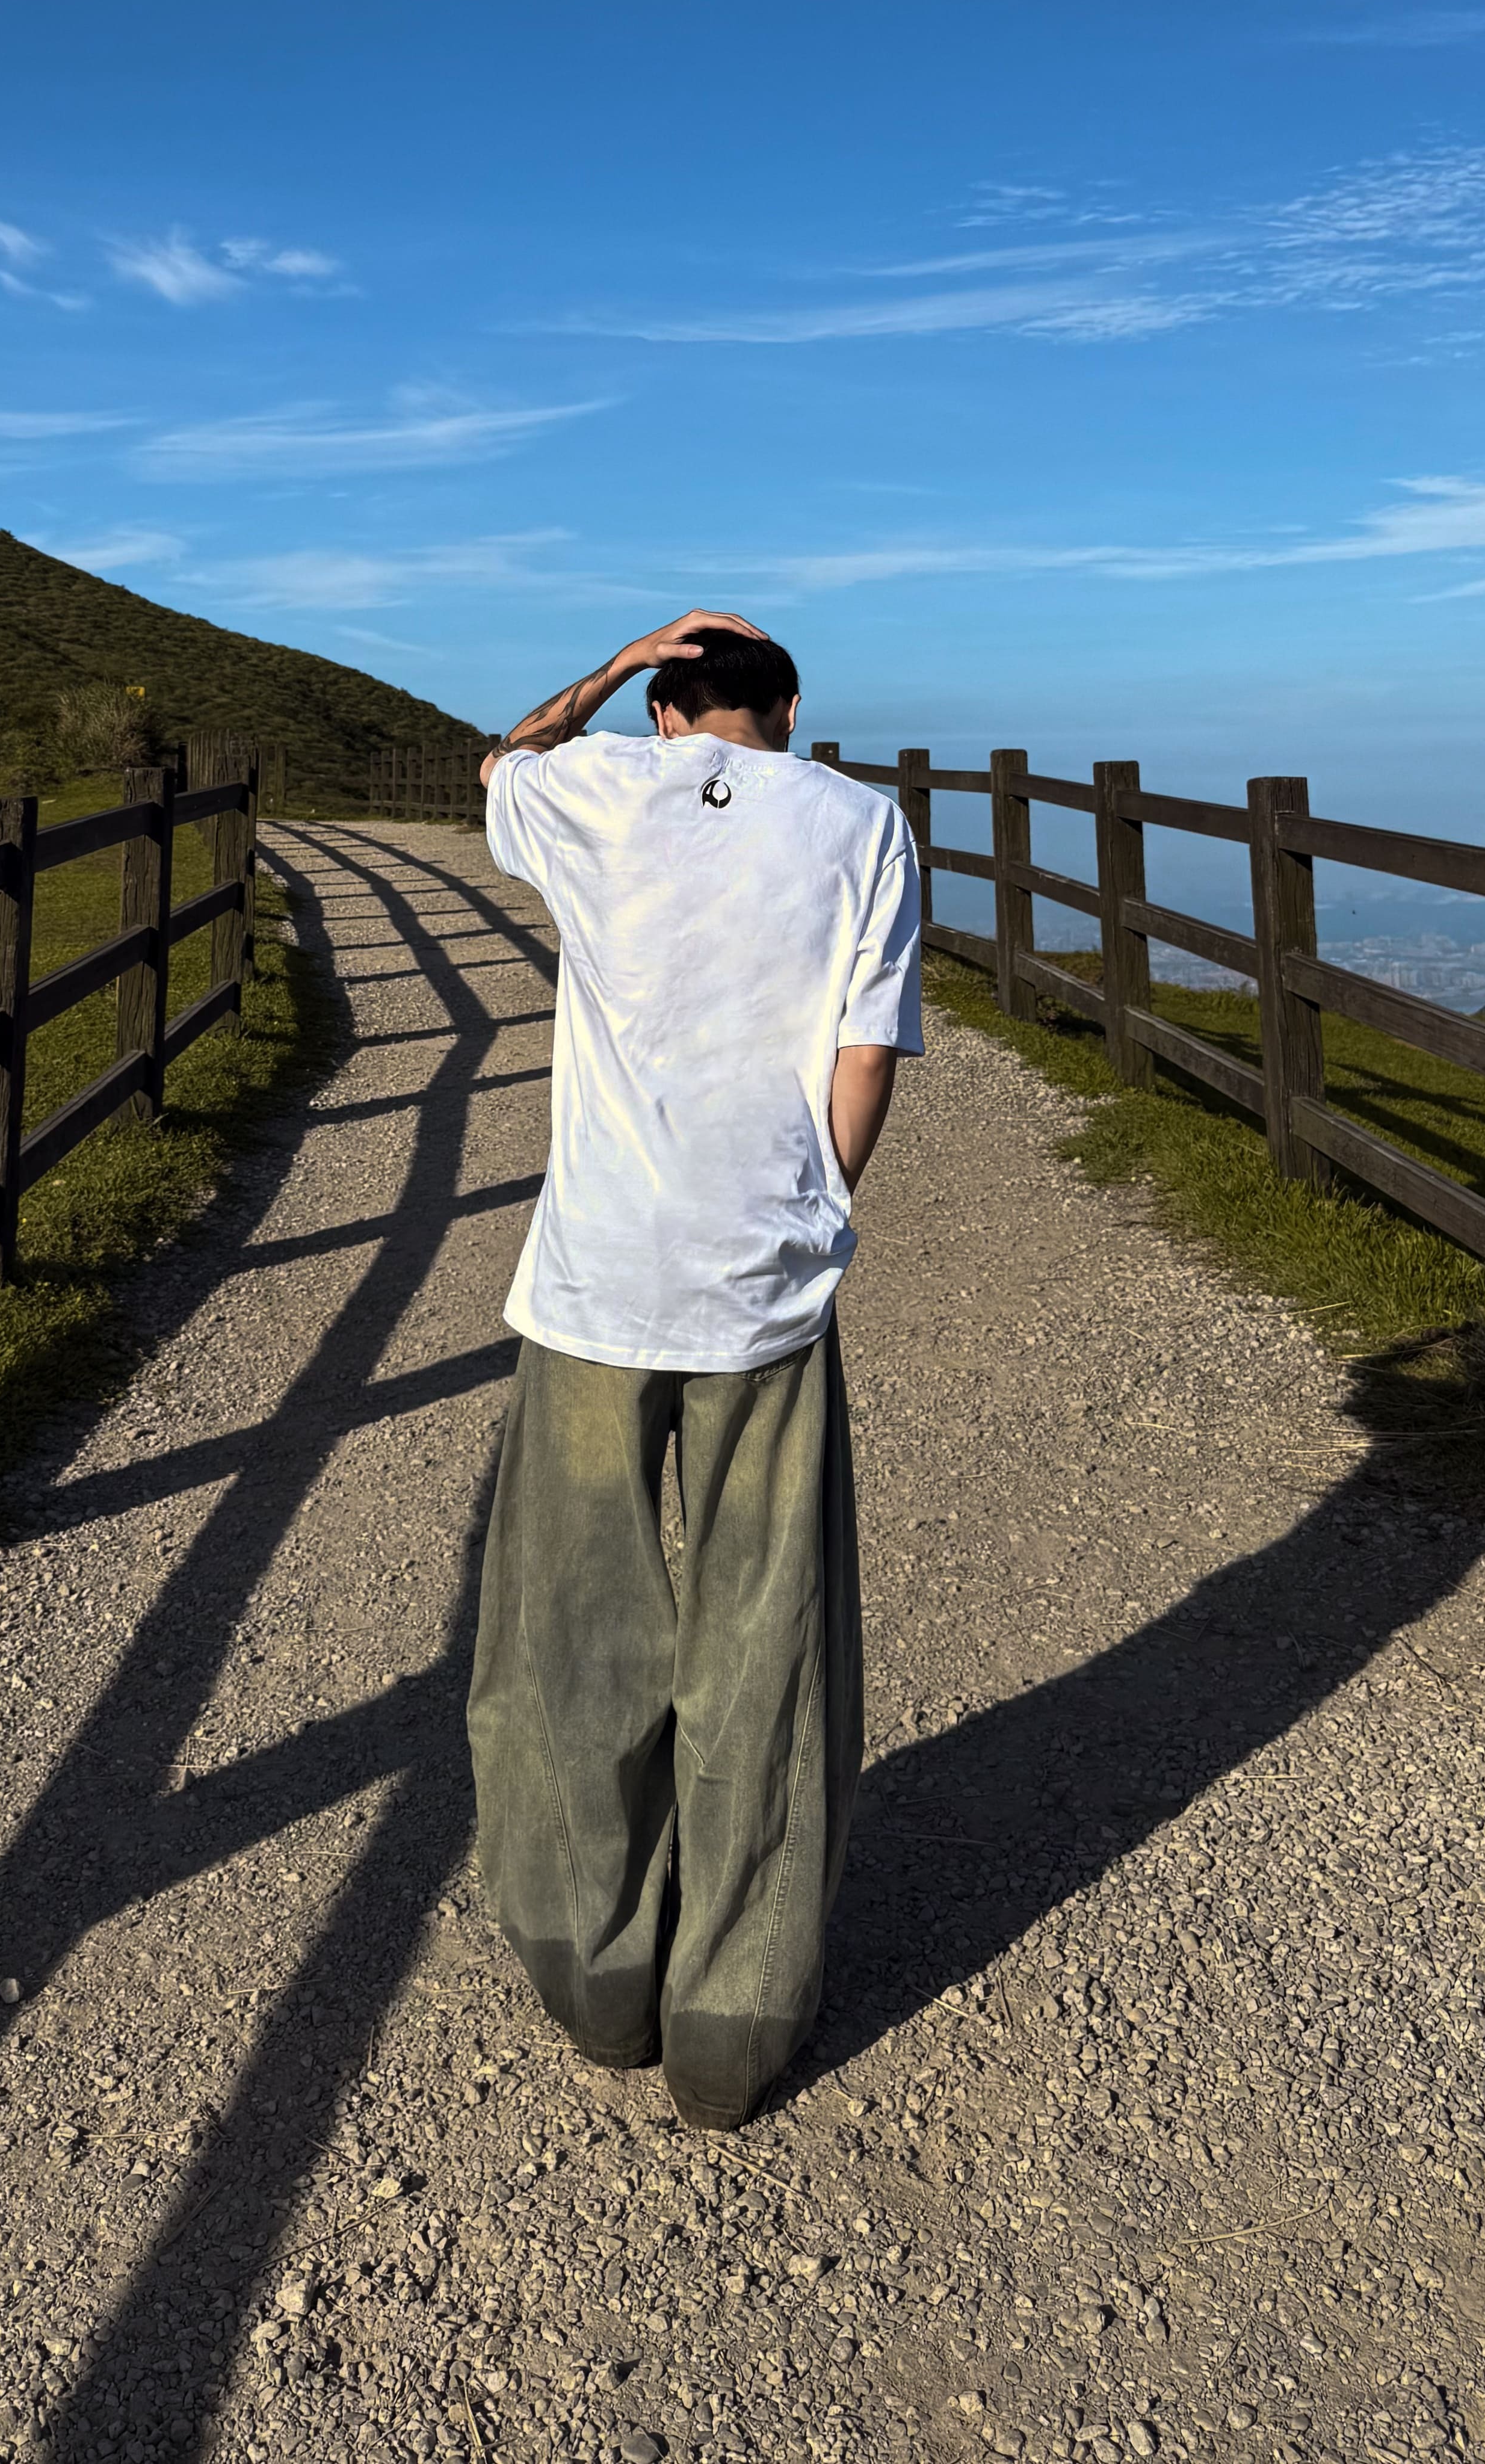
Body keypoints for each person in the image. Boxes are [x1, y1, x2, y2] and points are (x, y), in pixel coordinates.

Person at [465, 610, 924, 2131]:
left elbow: (503, 756)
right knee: (765, 1641)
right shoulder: (865, 822)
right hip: (765, 1288)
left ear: (665, 712)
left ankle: (597, 1979)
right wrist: (818, 1208)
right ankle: (733, 2025)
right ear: (789, 709)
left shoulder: (587, 792)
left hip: (600, 1276)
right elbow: (864, 1062)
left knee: (573, 1630)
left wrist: (615, 654)